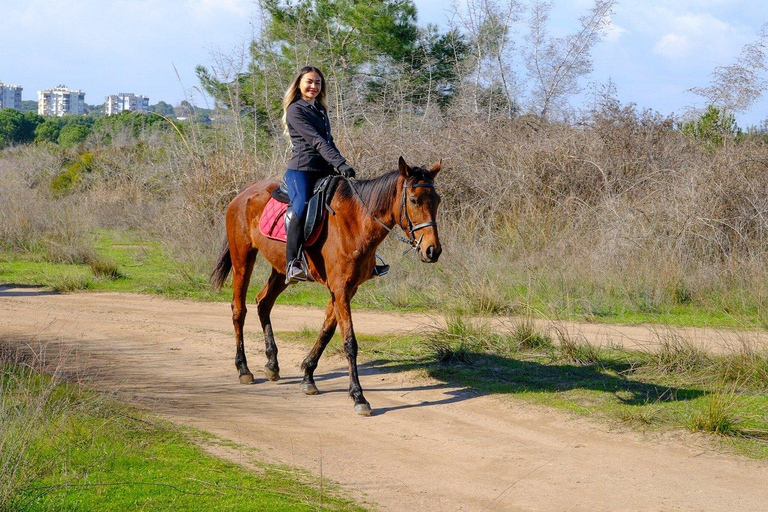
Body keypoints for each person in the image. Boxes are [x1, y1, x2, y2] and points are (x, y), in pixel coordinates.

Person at [281, 66, 356, 284]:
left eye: (318, 83)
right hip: (301, 170)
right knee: (302, 207)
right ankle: (292, 263)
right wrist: (339, 163)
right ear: (299, 84)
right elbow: (316, 141)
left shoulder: (321, 111)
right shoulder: (295, 110)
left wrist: (341, 164)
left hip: (324, 169)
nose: (314, 86)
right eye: (309, 82)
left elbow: (328, 141)